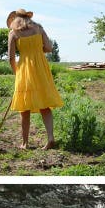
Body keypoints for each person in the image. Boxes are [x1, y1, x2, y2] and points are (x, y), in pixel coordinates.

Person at [7, 9, 63, 150]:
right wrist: (37, 50)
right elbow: (49, 48)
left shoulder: (13, 33)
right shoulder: (39, 28)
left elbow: (11, 58)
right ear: (28, 17)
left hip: (24, 69)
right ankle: (50, 138)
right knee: (44, 104)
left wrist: (17, 73)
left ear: (14, 19)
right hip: (41, 68)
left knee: (24, 107)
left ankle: (25, 143)